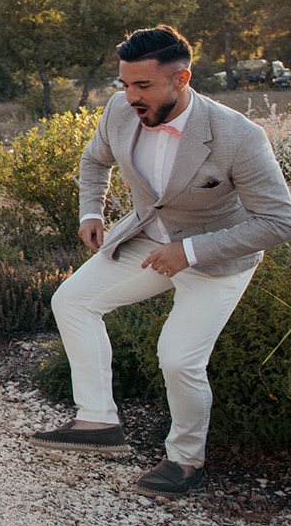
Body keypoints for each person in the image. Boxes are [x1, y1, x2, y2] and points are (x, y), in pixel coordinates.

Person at [29, 25, 291, 497]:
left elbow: (279, 221)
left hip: (217, 258)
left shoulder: (239, 136)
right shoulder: (119, 110)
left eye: (143, 86)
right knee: (72, 301)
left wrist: (188, 252)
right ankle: (99, 421)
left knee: (177, 357)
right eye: (125, 84)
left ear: (181, 79)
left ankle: (185, 462)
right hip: (147, 239)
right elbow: (94, 161)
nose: (130, 96)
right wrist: (92, 209)